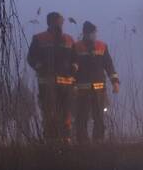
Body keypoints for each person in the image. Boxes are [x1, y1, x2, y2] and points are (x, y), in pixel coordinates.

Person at [27, 11, 76, 142]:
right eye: (60, 21)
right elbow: (31, 57)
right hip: (47, 83)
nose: (62, 23)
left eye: (62, 21)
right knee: (49, 112)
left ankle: (66, 138)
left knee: (66, 113)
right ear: (52, 22)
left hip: (66, 84)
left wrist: (73, 68)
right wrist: (40, 67)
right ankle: (51, 140)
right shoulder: (39, 38)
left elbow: (75, 58)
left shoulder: (69, 39)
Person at [73, 21, 119, 142]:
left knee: (99, 117)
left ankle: (98, 141)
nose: (93, 35)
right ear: (85, 34)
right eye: (91, 33)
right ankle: (82, 142)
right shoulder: (76, 47)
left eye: (94, 33)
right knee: (82, 118)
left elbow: (109, 66)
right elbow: (72, 68)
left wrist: (115, 82)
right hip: (82, 91)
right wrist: (72, 85)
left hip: (99, 90)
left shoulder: (102, 46)